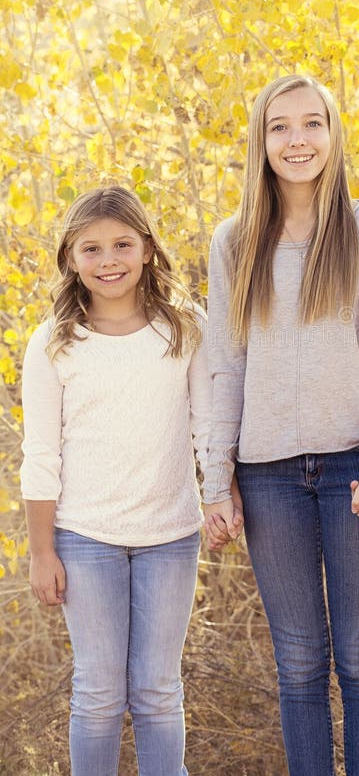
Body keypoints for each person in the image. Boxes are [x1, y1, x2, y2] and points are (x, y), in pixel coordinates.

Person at [203, 74, 359, 775]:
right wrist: (214, 481)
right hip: (265, 479)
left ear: (333, 132)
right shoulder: (233, 242)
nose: (296, 140)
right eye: (279, 126)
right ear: (259, 141)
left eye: (311, 123)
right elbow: (223, 367)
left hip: (353, 467)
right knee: (297, 662)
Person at [20, 185, 210, 776]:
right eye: (92, 248)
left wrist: (223, 498)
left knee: (157, 690)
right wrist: (41, 550)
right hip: (85, 536)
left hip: (171, 534)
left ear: (148, 249)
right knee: (100, 693)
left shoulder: (184, 328)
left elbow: (209, 429)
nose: (109, 261)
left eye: (123, 245)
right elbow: (41, 454)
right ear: (71, 258)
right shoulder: (54, 340)